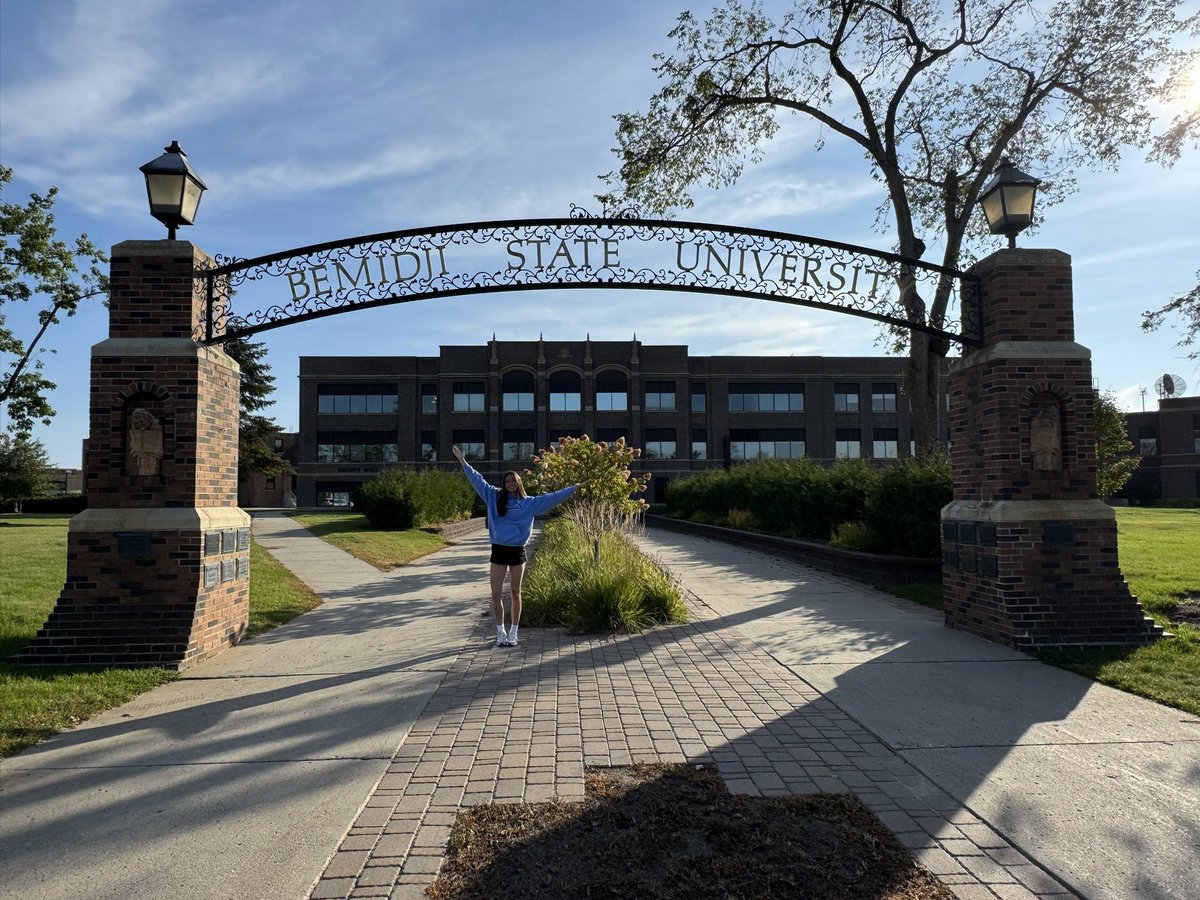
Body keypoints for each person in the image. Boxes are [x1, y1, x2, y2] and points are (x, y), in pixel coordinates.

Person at [452, 444, 581, 647]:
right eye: (508, 481)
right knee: (495, 594)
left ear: (519, 483)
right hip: (499, 551)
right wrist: (463, 462)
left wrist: (573, 488)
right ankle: (500, 631)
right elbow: (477, 480)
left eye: (514, 480)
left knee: (515, 592)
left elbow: (552, 497)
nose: (511, 483)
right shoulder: (493, 496)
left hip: (517, 552)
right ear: (504, 484)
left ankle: (514, 631)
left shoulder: (529, 503)